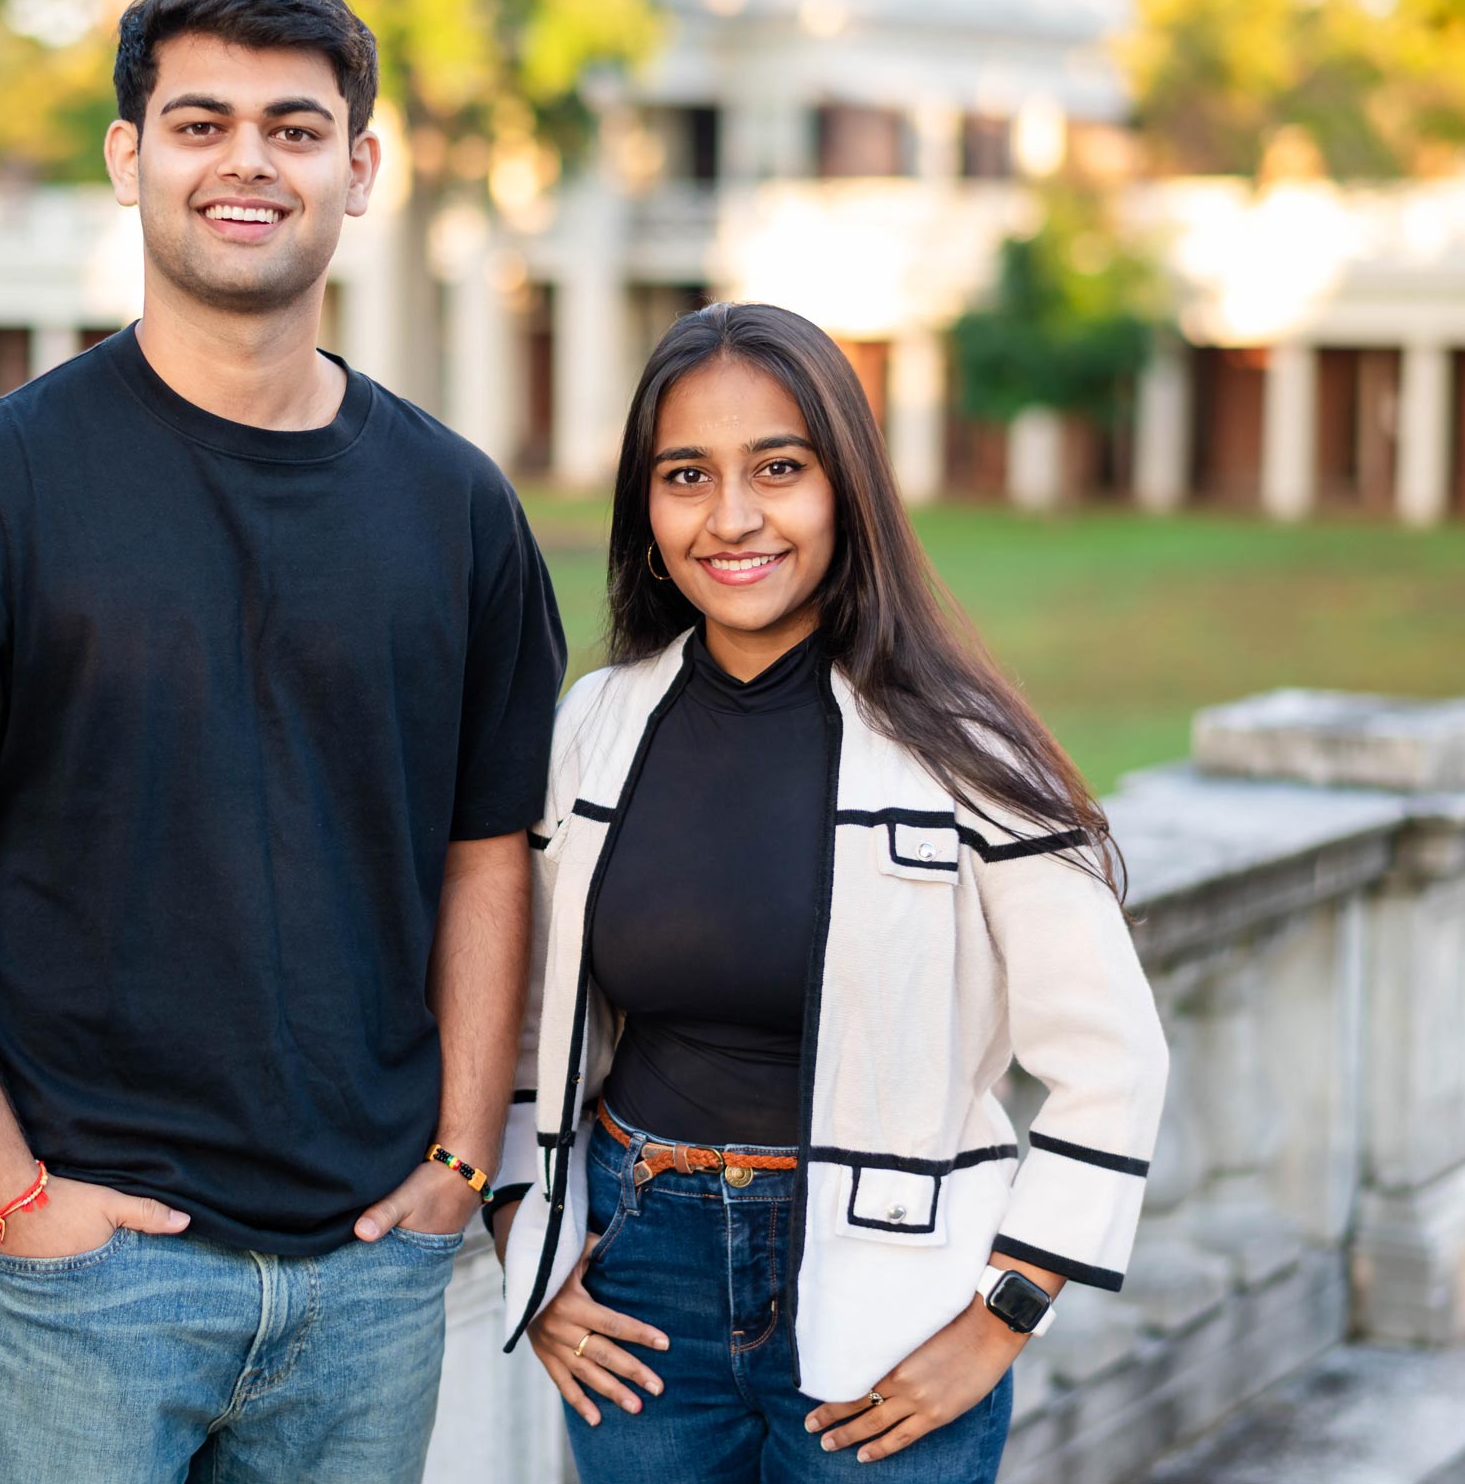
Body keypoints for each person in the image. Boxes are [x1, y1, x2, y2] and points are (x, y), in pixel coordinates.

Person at [0, 0, 566, 1483]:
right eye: (200, 122)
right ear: (130, 155)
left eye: (295, 125)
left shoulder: (456, 505)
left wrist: (466, 1152)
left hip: (366, 1277)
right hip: (88, 1285)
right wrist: (9, 1200)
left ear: (361, 168)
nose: (248, 161)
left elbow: (488, 850)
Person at [487, 303, 1168, 1481]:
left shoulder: (965, 751)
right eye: (686, 474)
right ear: (644, 513)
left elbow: (1112, 1064)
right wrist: (525, 1243)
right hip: (639, 1290)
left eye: (780, 469)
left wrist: (1002, 1316)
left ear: (846, 489)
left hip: (890, 1305)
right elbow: (523, 1023)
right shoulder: (596, 726)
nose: (733, 517)